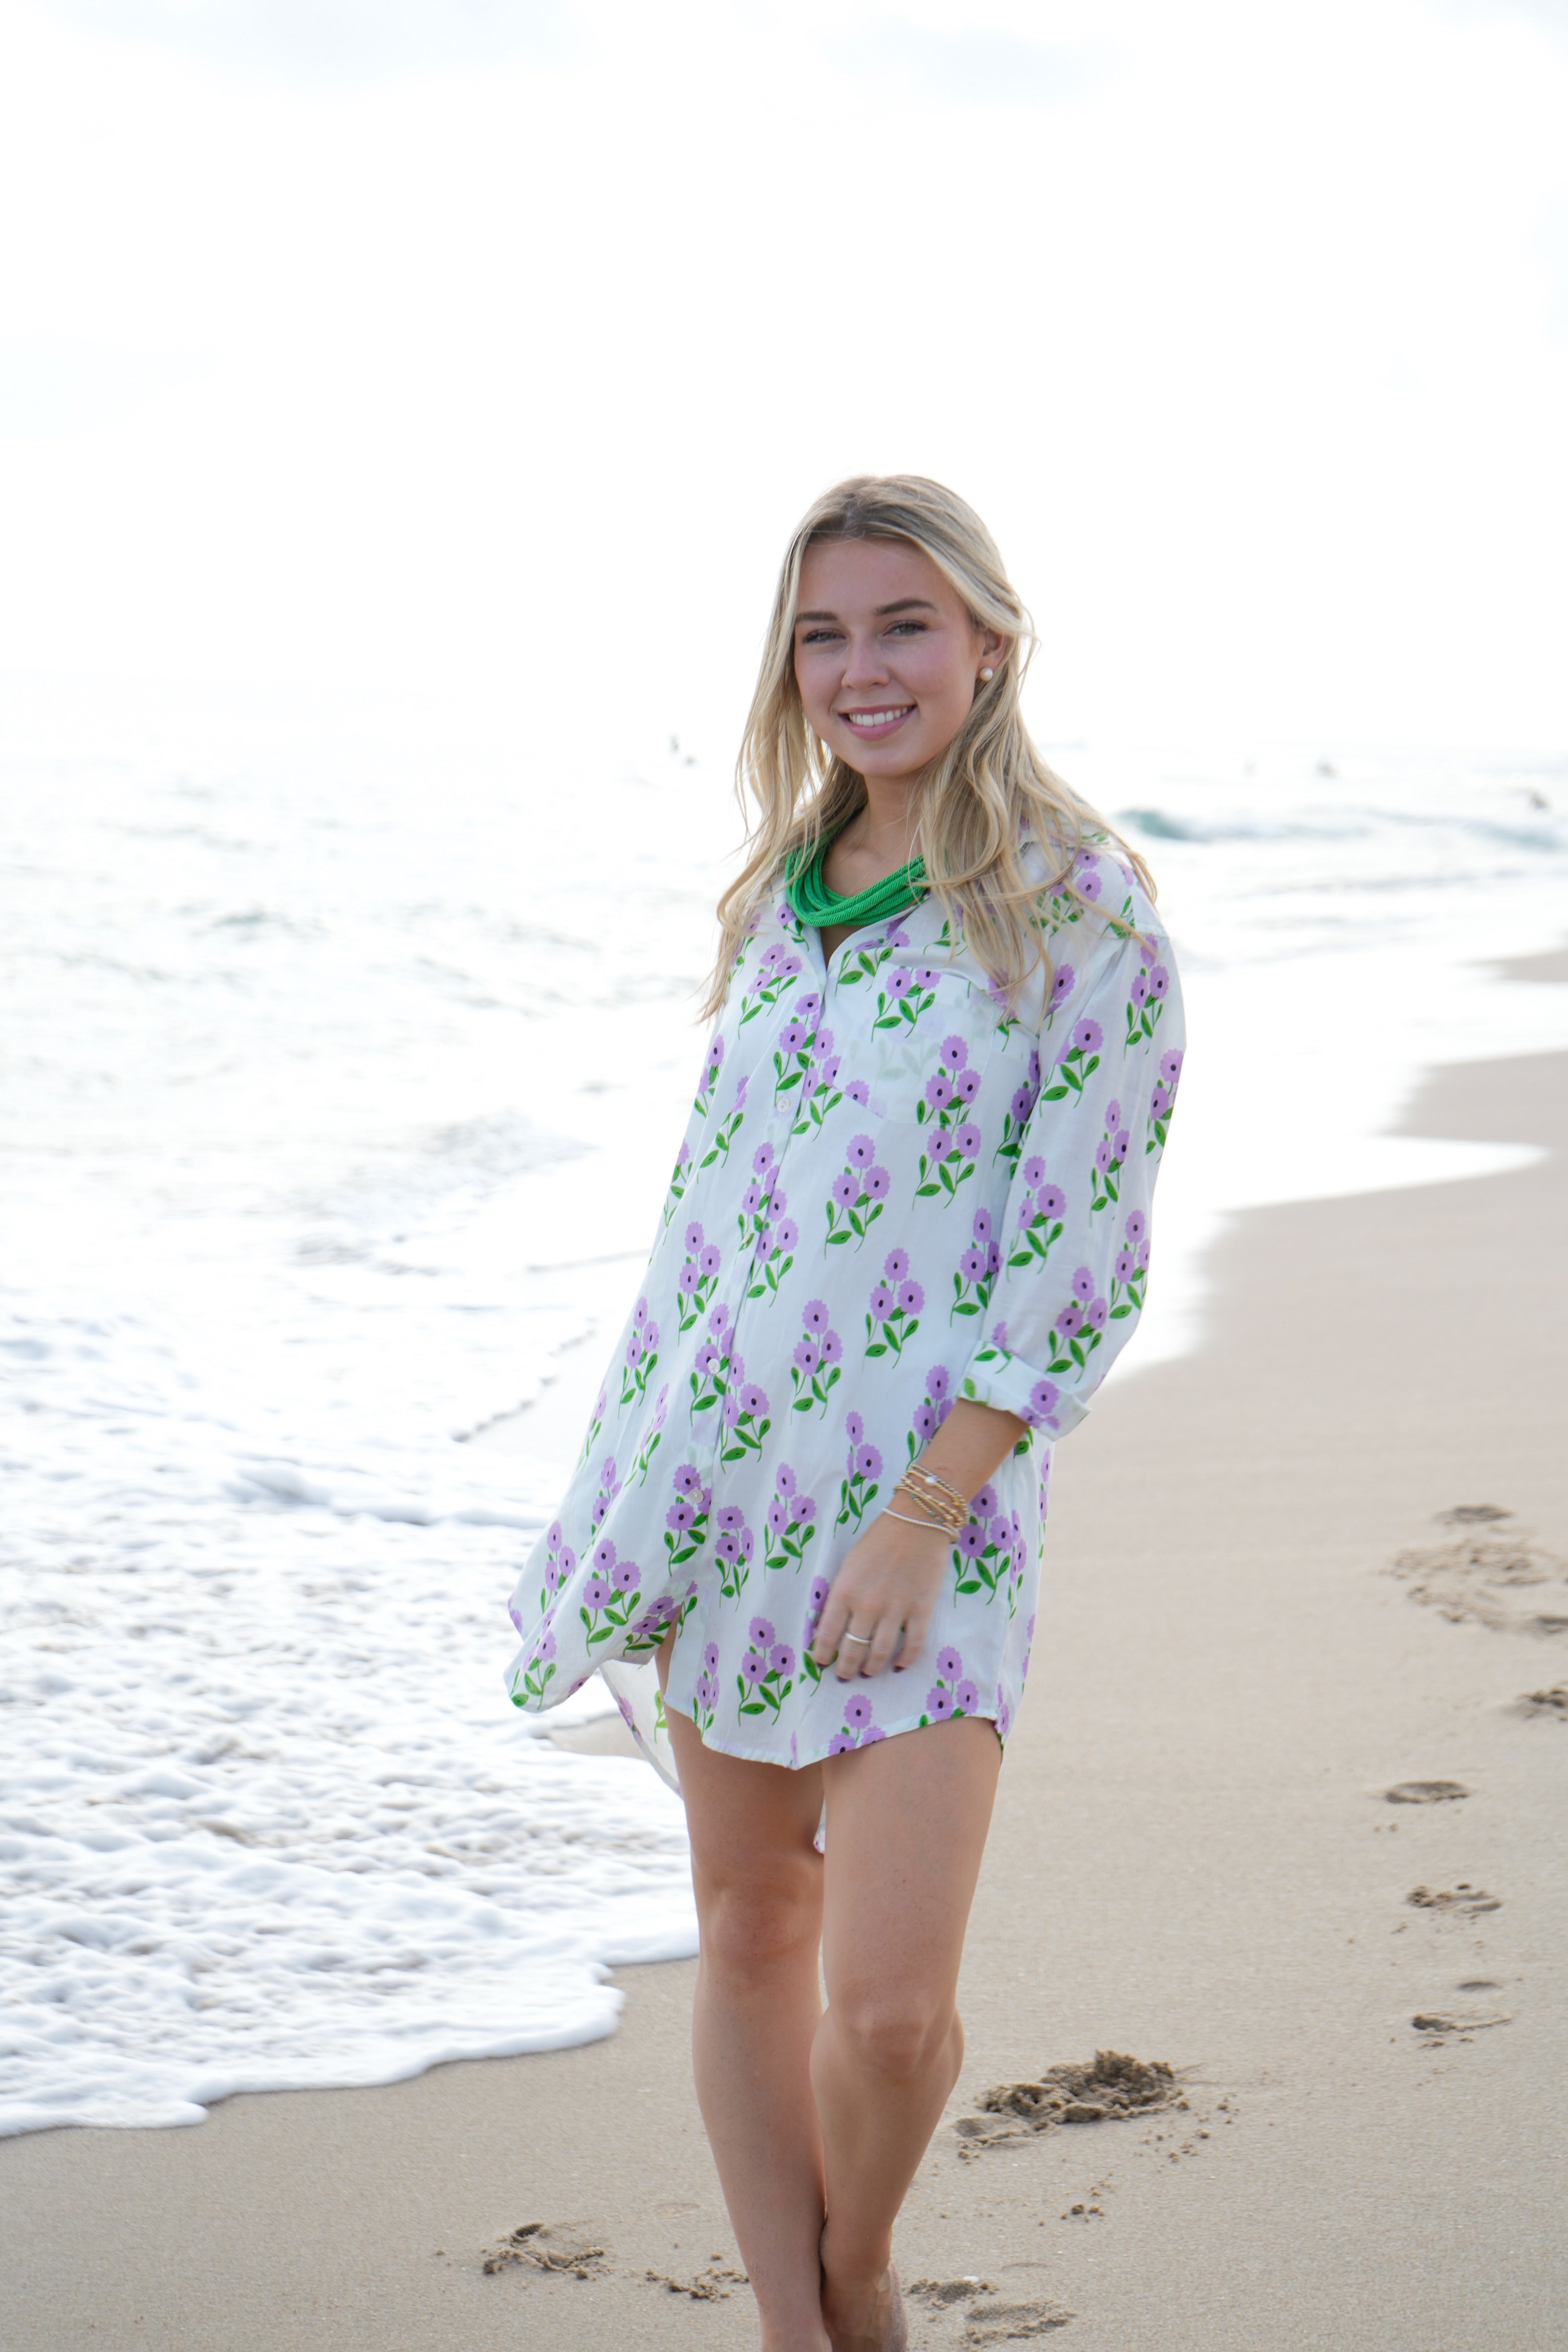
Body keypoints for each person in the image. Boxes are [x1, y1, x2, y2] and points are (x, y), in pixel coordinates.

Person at [506, 474, 1184, 2352]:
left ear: (987, 639)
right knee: (745, 1928)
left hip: (922, 1512)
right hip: (721, 1475)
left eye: (900, 624)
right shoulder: (777, 898)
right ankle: (788, 2323)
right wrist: (623, 1487)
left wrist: (927, 1507)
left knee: (885, 2009)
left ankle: (858, 2252)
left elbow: (1080, 1245)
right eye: (823, 632)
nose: (859, 667)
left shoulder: (1078, 904)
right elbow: (706, 1224)